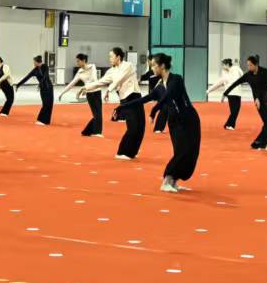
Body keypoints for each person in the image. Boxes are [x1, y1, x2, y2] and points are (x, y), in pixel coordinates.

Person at [119, 53, 200, 193]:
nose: (152, 69)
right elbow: (143, 99)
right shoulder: (159, 87)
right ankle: (167, 179)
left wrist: (154, 109)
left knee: (192, 151)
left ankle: (174, 181)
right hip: (175, 122)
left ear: (162, 66)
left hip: (189, 119)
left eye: (154, 66)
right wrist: (121, 107)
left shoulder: (177, 79)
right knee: (181, 151)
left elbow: (170, 95)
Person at [85, 47, 143, 160]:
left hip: (136, 97)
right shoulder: (111, 71)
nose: (109, 59)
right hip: (126, 99)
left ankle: (132, 152)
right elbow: (100, 82)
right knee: (133, 127)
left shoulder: (128, 65)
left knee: (141, 126)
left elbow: (119, 79)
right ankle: (122, 152)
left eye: (111, 56)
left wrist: (109, 89)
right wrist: (86, 87)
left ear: (118, 57)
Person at [225, 55, 267, 150]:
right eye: (248, 65)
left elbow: (264, 86)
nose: (249, 67)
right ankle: (261, 145)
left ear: (256, 65)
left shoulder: (265, 71)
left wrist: (258, 97)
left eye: (250, 65)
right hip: (259, 103)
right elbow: (236, 83)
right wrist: (225, 93)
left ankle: (257, 143)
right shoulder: (248, 75)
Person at [61, 53, 103, 136]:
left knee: (98, 113)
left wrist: (84, 88)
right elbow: (72, 83)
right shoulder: (79, 72)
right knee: (96, 113)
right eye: (76, 61)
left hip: (97, 91)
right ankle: (92, 132)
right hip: (89, 94)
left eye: (78, 61)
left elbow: (94, 79)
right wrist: (62, 93)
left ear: (83, 60)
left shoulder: (92, 67)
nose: (77, 63)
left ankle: (93, 132)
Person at [18, 54, 54, 126]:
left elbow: (45, 76)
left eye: (34, 62)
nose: (33, 63)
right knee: (45, 104)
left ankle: (46, 121)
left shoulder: (45, 66)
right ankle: (41, 119)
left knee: (50, 104)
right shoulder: (35, 70)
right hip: (43, 89)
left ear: (37, 62)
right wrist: (18, 84)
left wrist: (40, 83)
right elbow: (27, 77)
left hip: (49, 87)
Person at [208, 59, 242, 129]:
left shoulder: (236, 68)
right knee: (234, 110)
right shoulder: (225, 74)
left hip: (238, 93)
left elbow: (242, 75)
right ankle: (229, 125)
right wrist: (208, 90)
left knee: (237, 110)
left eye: (223, 65)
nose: (222, 67)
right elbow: (218, 84)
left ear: (227, 65)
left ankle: (230, 125)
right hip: (230, 94)